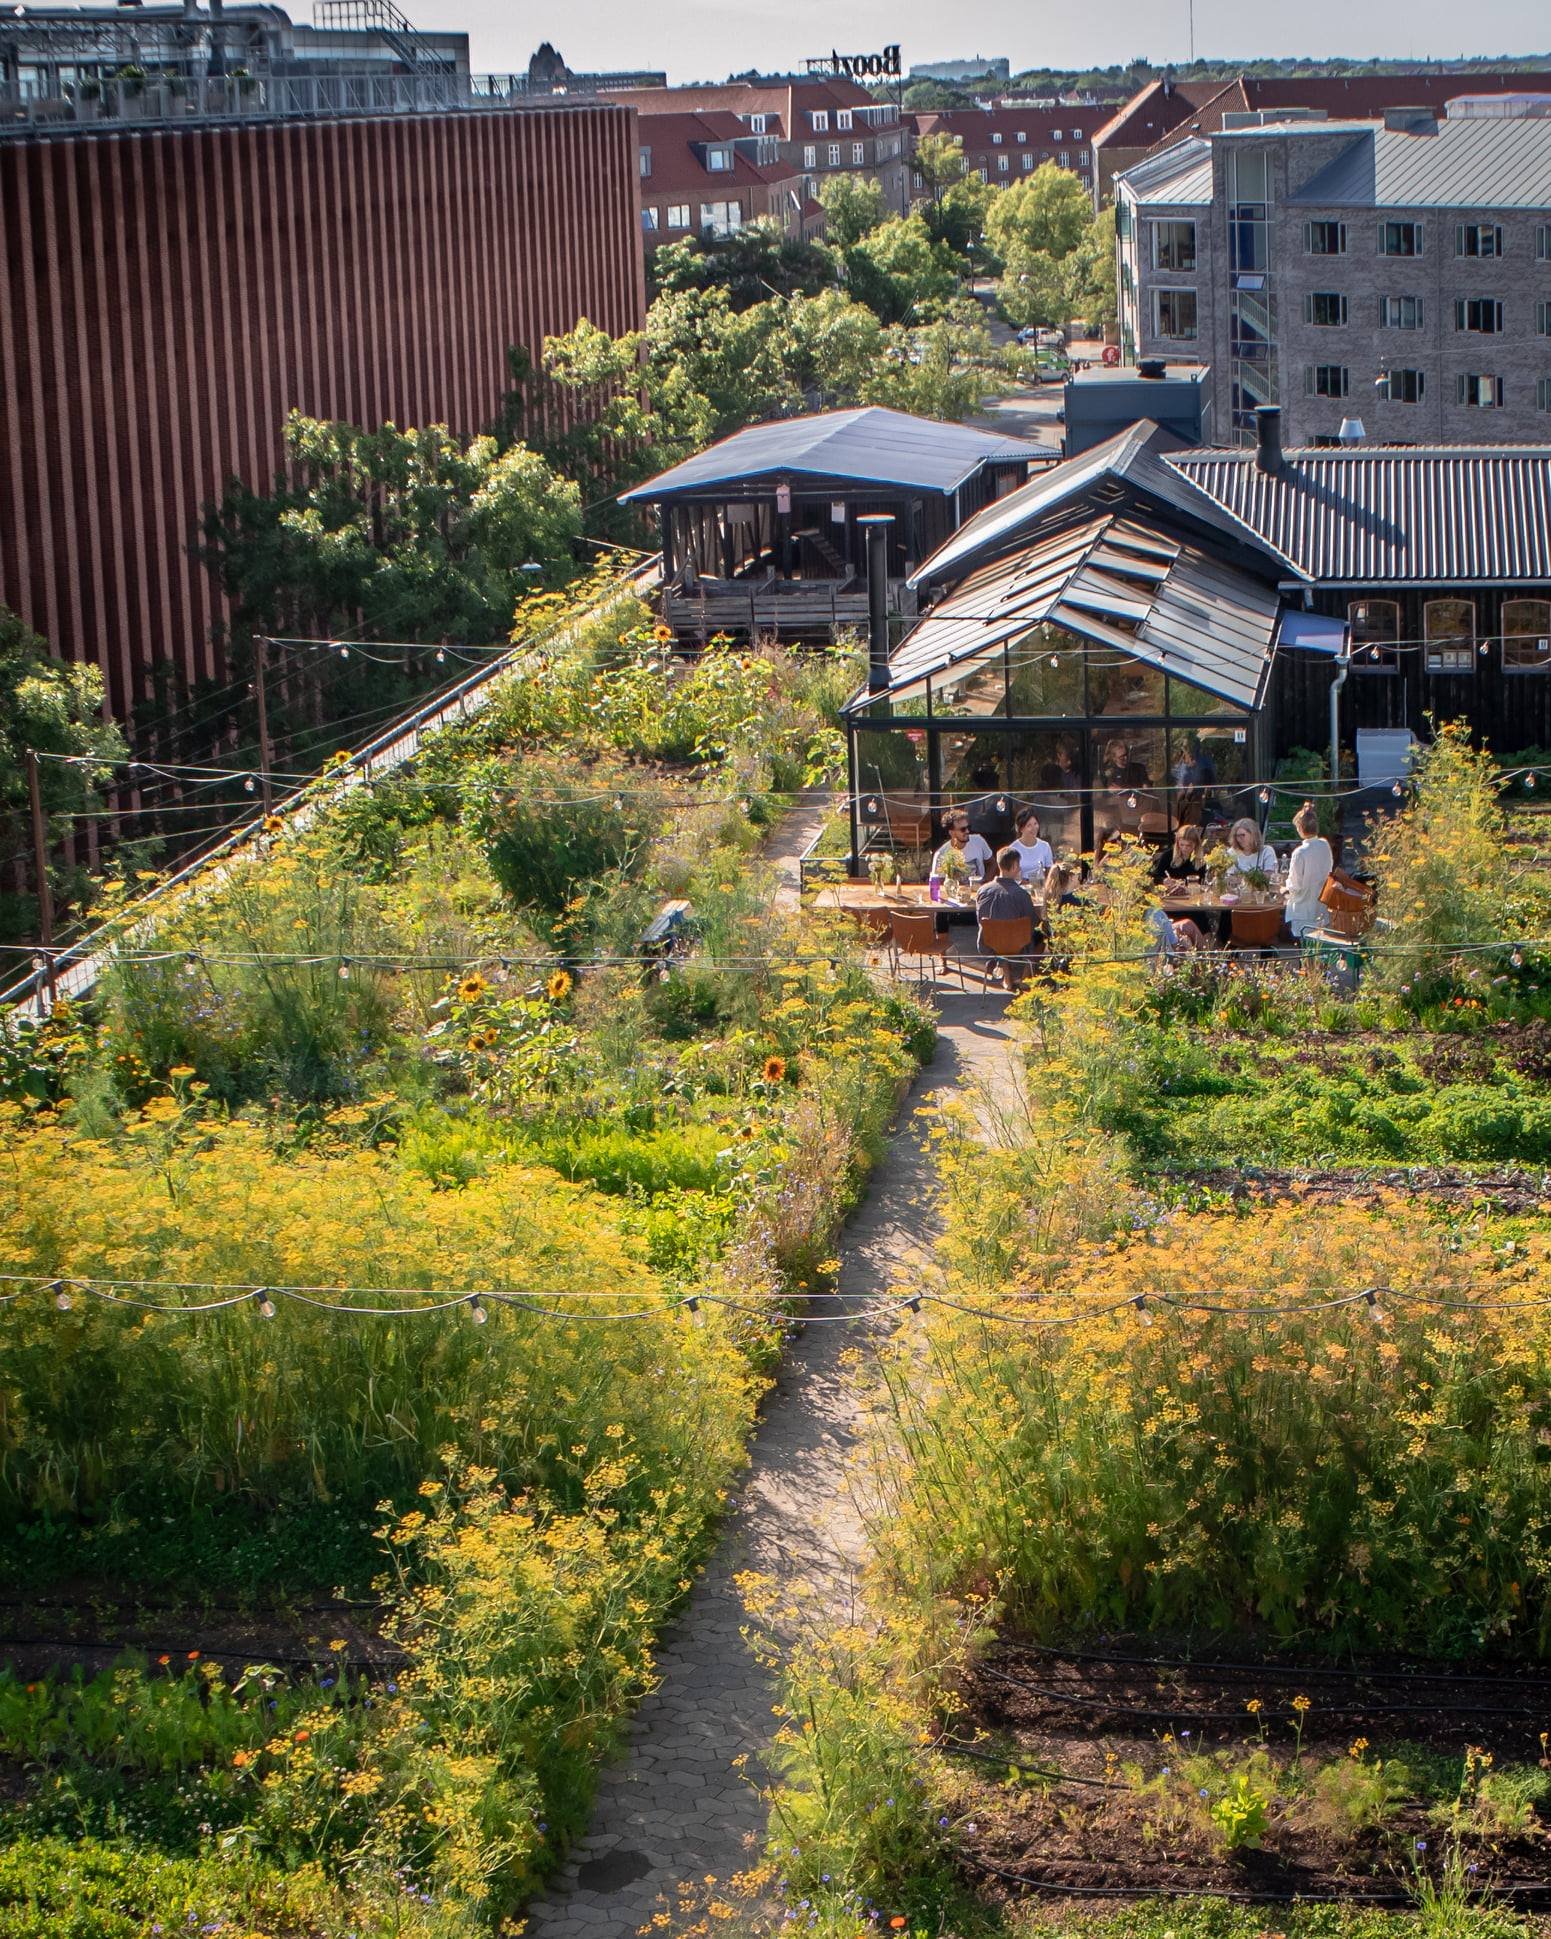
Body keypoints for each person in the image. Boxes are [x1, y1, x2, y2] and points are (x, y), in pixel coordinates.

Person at [975, 847, 1037, 989]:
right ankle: (1024, 977)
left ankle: (1007, 976)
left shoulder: (982, 891)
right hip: (1018, 943)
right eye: (1019, 865)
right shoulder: (1021, 895)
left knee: (1001, 938)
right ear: (1015, 866)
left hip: (990, 943)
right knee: (1039, 935)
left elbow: (980, 919)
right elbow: (1032, 923)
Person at [1282, 800, 1334, 939]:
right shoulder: (1324, 844)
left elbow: (1295, 885)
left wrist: (1285, 888)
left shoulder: (1300, 852)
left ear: (1300, 827)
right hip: (1322, 904)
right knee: (1321, 946)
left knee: (1305, 948)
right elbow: (1329, 870)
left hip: (1304, 908)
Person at [931, 811, 994, 888]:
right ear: (952, 833)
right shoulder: (941, 854)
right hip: (955, 895)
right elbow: (939, 883)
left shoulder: (979, 841)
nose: (967, 831)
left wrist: (985, 883)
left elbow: (992, 863)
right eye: (963, 829)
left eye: (968, 827)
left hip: (978, 892)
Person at [1150, 823, 1209, 890]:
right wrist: (1163, 880)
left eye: (1188, 845)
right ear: (1177, 843)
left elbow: (1204, 882)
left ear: (1196, 844)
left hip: (1193, 894)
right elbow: (1155, 876)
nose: (1184, 848)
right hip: (1171, 895)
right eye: (1182, 845)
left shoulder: (1200, 860)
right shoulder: (1168, 855)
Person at [1007, 807, 1054, 885]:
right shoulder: (1013, 849)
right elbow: (1010, 876)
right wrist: (1027, 883)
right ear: (1021, 829)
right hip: (1020, 889)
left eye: (1035, 824)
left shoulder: (1045, 846)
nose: (1034, 828)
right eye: (1029, 825)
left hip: (1040, 888)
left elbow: (1049, 870)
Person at [1224, 816, 1279, 881]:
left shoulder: (1266, 851)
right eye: (1237, 836)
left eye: (1242, 835)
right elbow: (1229, 877)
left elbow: (1270, 875)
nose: (1239, 839)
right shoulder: (1232, 852)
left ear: (1253, 834)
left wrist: (1242, 878)